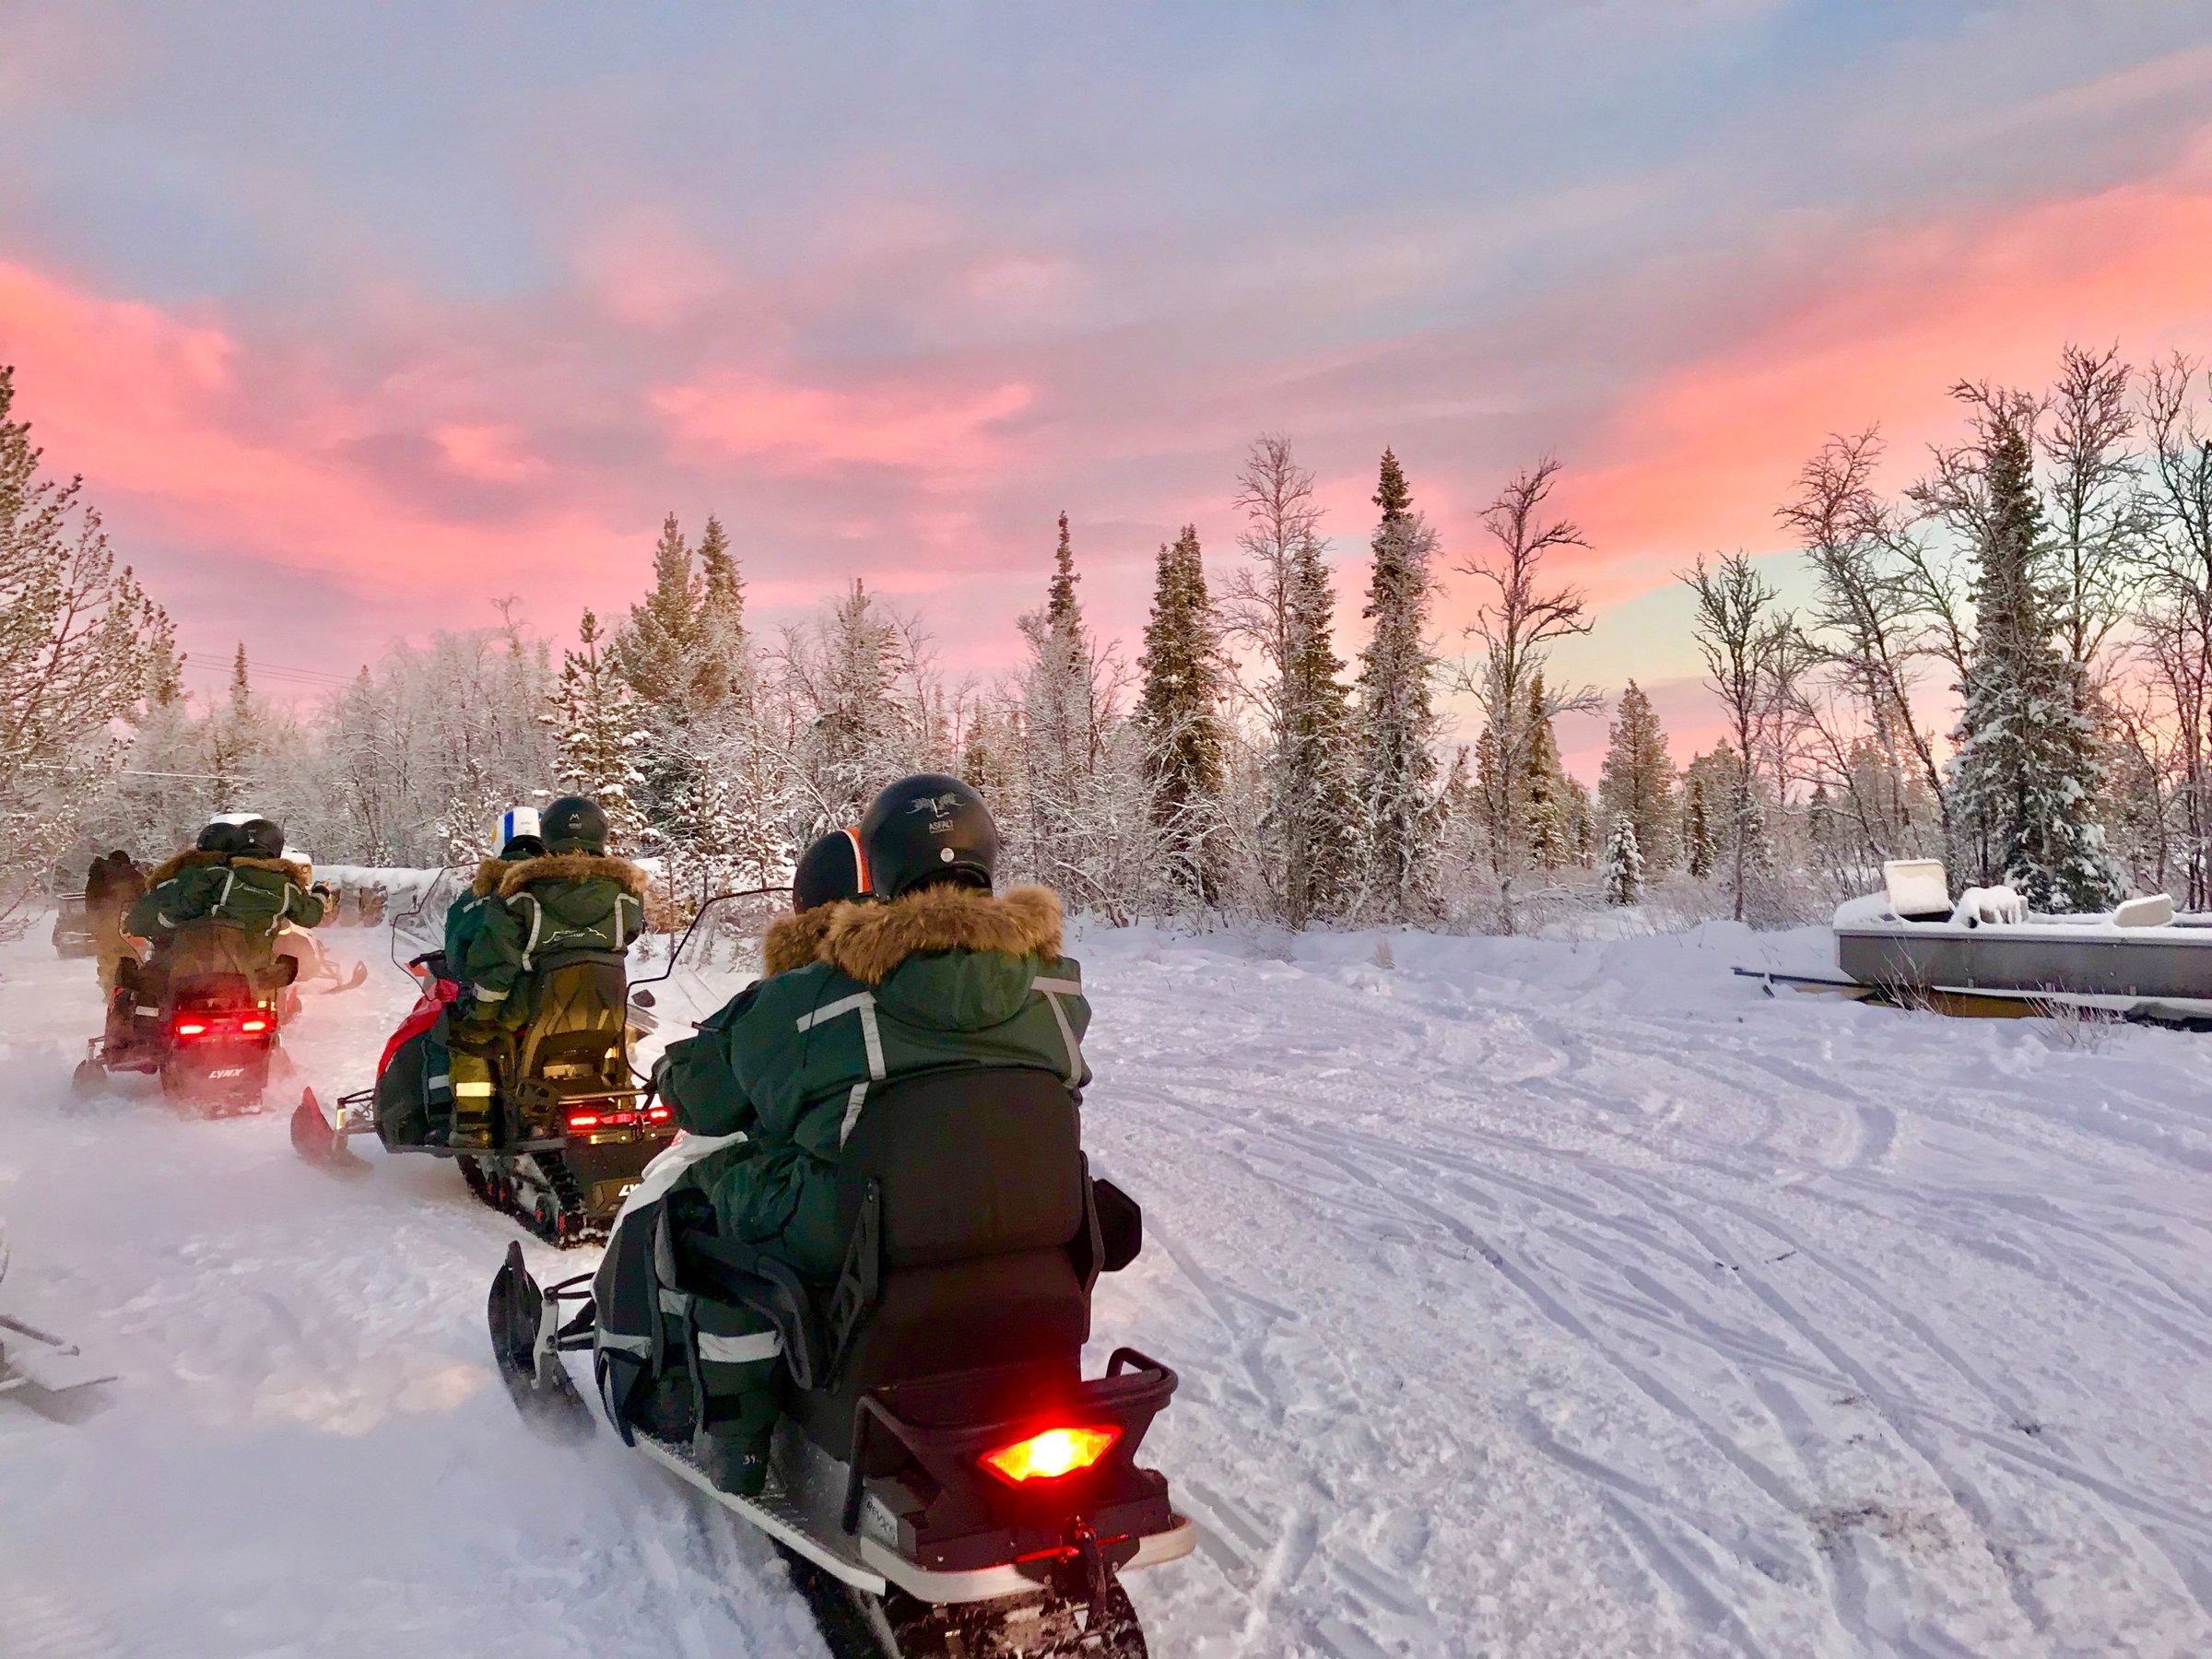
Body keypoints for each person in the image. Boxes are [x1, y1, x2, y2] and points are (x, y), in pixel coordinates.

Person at [657, 775, 1088, 1494]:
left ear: (881, 870)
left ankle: (737, 1437)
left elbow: (709, 1100)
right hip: (1030, 1224)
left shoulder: (822, 995)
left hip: (864, 1227)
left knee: (706, 1207)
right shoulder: (1058, 989)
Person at [593, 825, 870, 1444]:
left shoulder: (796, 995)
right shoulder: (965, 989)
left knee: (691, 1213)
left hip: (846, 1210)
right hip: (954, 1201)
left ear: (807, 907)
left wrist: (669, 1070)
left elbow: (710, 1102)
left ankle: (717, 1425)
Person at [439, 795, 648, 1150]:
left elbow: (496, 964)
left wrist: (482, 1015)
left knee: (468, 1036)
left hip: (535, 1005)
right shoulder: (627, 893)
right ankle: (621, 1107)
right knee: (618, 1037)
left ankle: (475, 1128)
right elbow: (629, 935)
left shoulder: (519, 894)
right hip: (604, 1002)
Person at [84, 850, 147, 995]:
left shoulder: (98, 876)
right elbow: (144, 898)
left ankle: (109, 989)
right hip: (128, 925)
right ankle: (133, 989)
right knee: (133, 955)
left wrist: (94, 923)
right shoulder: (134, 875)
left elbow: (91, 901)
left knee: (108, 958)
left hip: (105, 923)